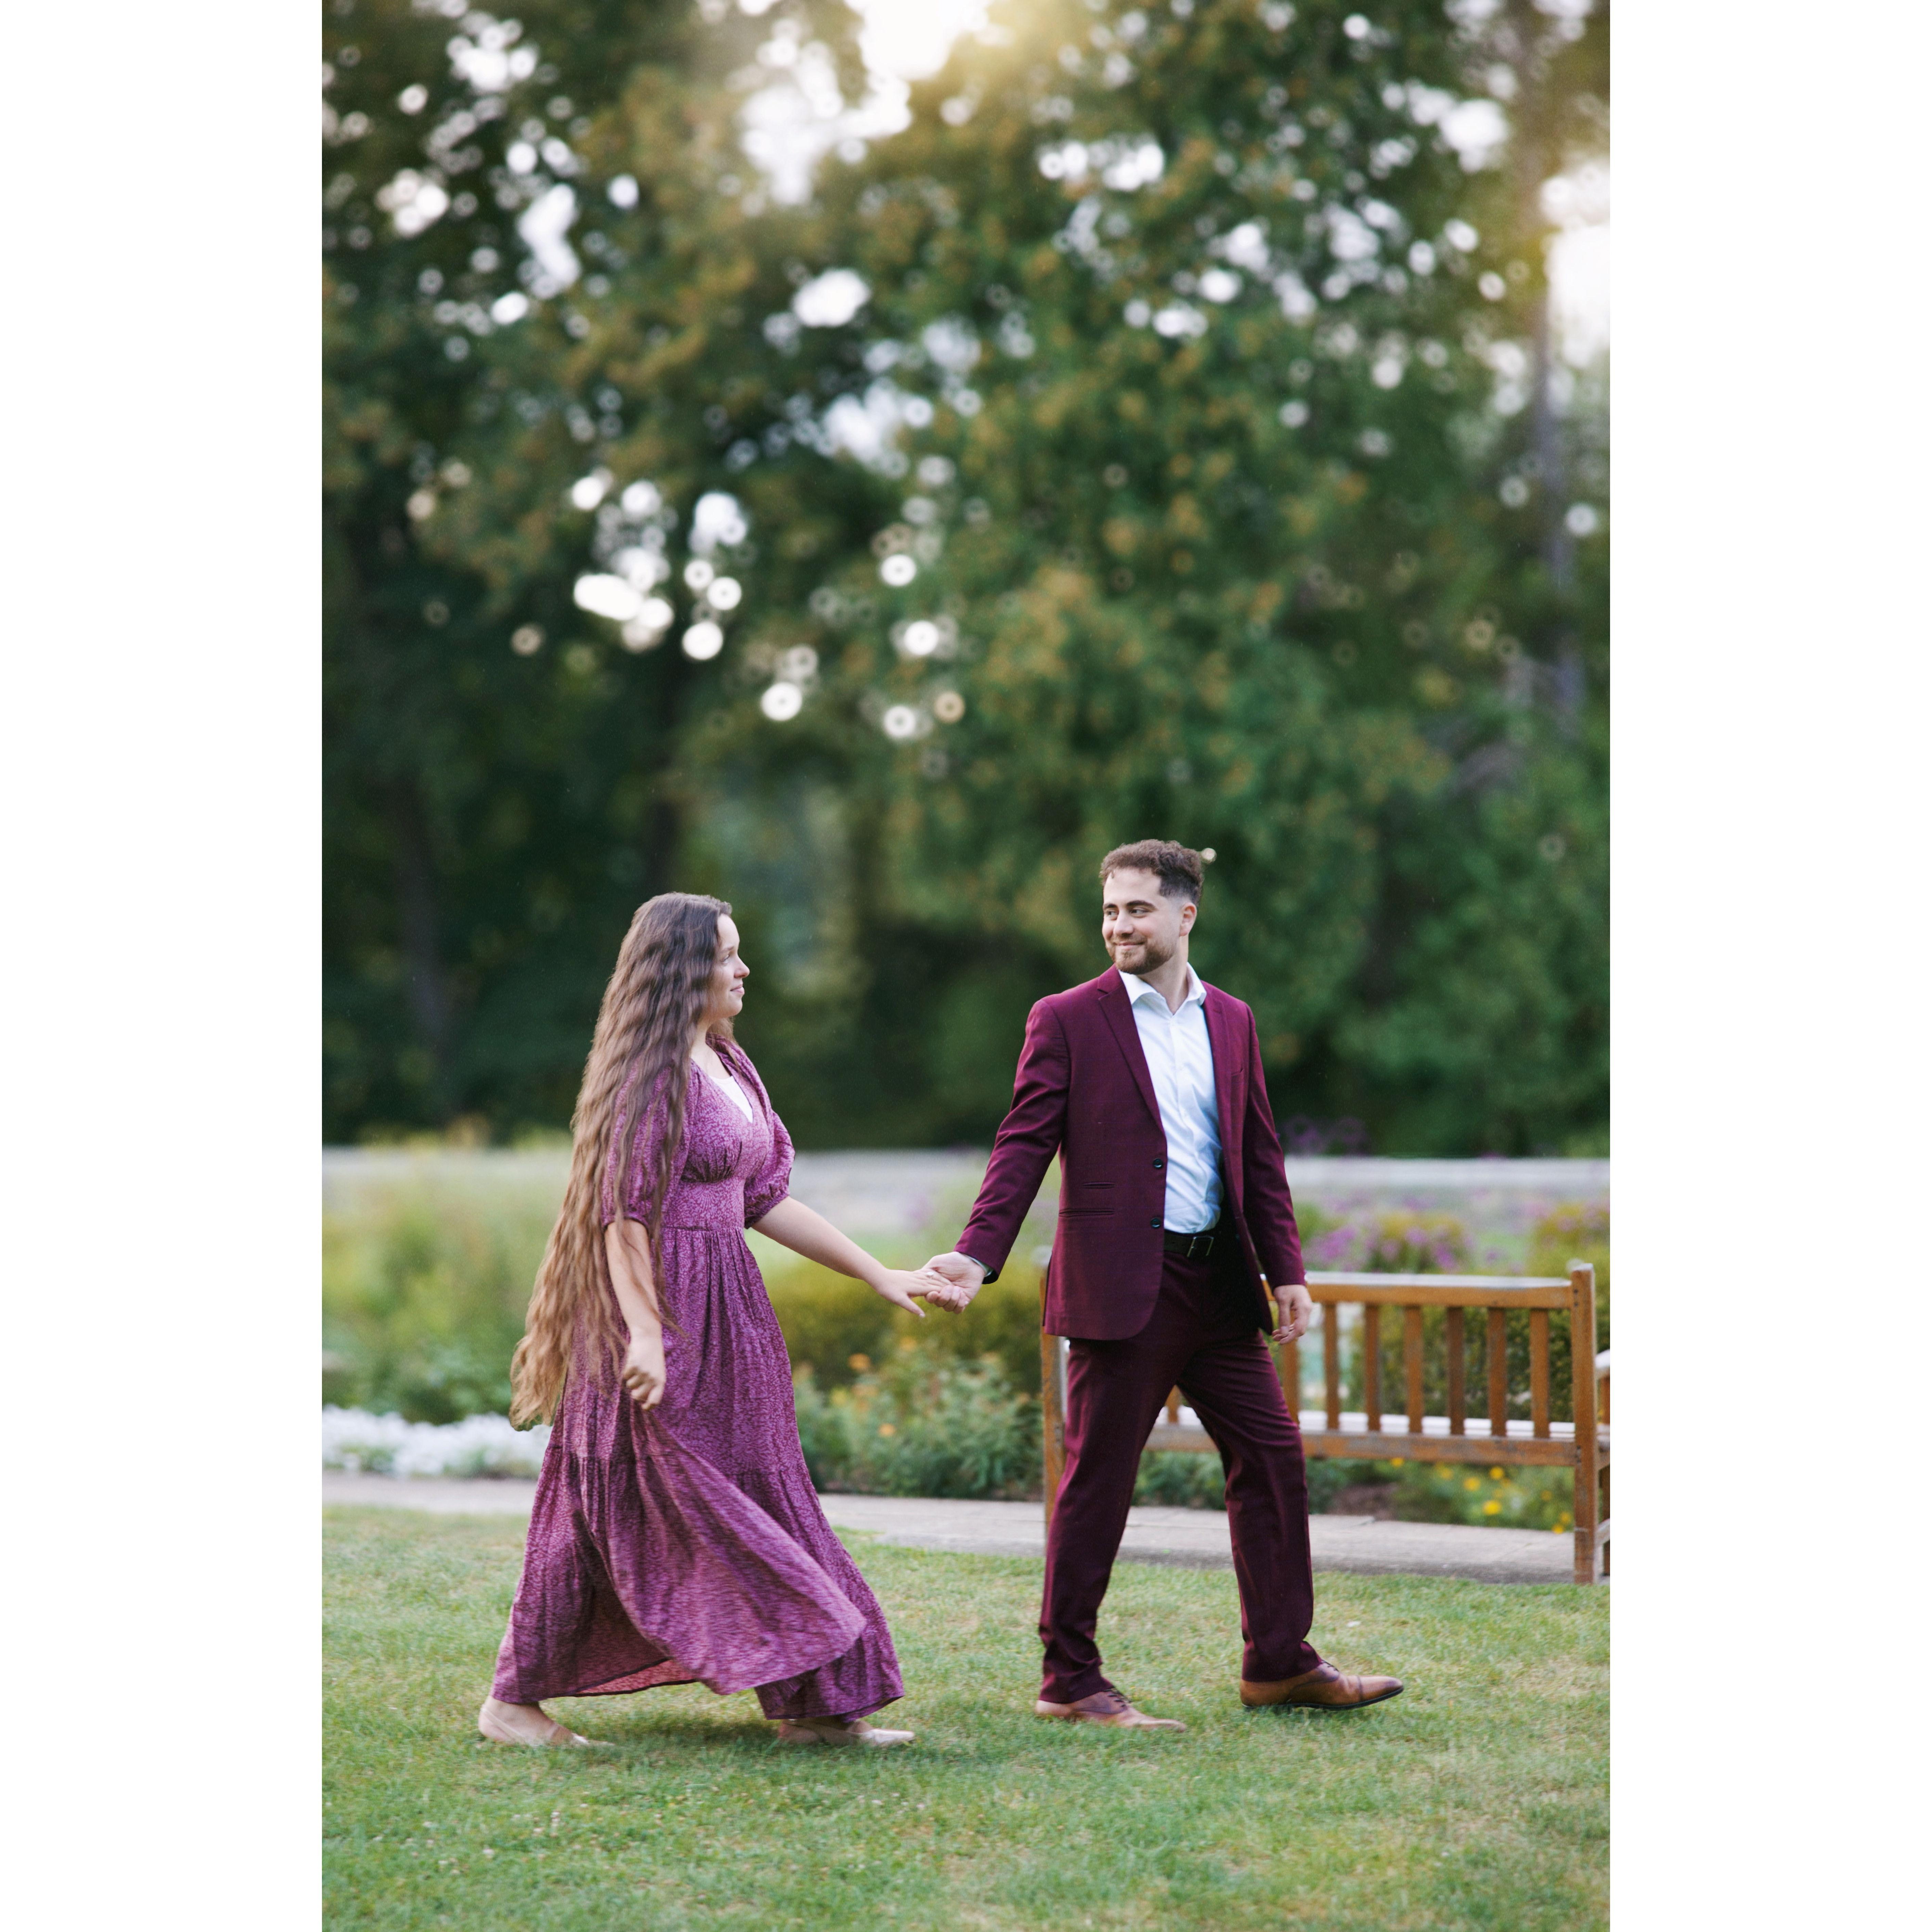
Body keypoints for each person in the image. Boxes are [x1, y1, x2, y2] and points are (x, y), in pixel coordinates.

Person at [921, 841, 1404, 1729]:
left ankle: (1279, 1662)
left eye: (1137, 910)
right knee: (1098, 1481)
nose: (1118, 927)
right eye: (1110, 910)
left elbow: (1258, 1154)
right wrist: (978, 1255)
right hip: (1120, 1292)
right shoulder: (1067, 1019)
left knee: (1272, 1458)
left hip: (1219, 1288)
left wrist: (1286, 1270)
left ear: (1186, 915)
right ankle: (1069, 1679)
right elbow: (1024, 1142)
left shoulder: (1233, 1021)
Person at [479, 892, 948, 1750]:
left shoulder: (728, 1062)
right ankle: (512, 1704)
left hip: (729, 1310)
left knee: (762, 1486)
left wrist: (876, 1271)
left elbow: (763, 1199)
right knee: (611, 1505)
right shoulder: (648, 1077)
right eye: (727, 955)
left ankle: (817, 1709)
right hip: (655, 1315)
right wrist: (646, 1334)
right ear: (681, 969)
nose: (743, 969)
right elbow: (621, 1215)